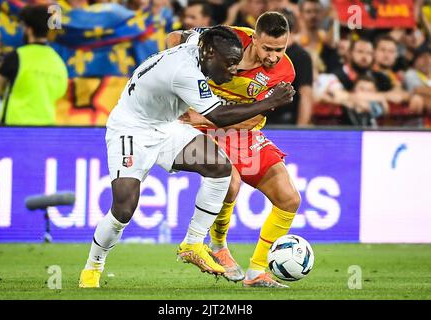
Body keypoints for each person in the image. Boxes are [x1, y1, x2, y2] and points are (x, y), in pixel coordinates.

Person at [78, 26, 296, 288]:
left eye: (235, 65)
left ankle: (193, 243)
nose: (232, 71)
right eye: (227, 65)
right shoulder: (185, 72)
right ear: (209, 54)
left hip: (167, 126)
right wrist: (271, 101)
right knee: (123, 209)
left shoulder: (199, 44)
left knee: (220, 168)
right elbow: (217, 117)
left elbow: (180, 35)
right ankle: (93, 268)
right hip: (132, 129)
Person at [167, 12, 300, 288]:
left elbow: (253, 117)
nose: (273, 57)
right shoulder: (227, 38)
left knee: (289, 198)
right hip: (202, 130)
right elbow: (174, 38)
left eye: (280, 49)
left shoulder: (284, 72)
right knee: (230, 181)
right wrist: (178, 80)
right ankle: (219, 246)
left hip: (241, 131)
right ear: (253, 38)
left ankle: (256, 272)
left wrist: (202, 115)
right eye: (267, 49)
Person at [0, 5, 68, 125]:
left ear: (29, 30)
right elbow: (61, 92)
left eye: (23, 27)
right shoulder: (58, 61)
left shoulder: (17, 56)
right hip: (47, 127)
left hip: (14, 126)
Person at [266, 9, 313, 125]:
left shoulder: (301, 56)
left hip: (286, 122)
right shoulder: (263, 53)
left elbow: (306, 95)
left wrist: (300, 131)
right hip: (261, 119)